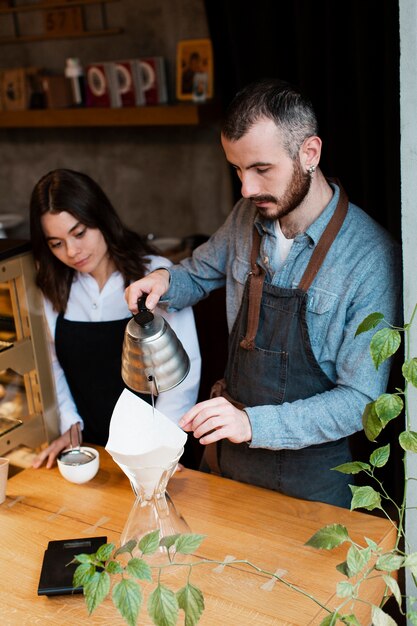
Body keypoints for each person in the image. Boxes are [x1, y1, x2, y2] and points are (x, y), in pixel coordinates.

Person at [125, 78, 401, 508]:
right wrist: (164, 281)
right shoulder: (245, 215)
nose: (246, 189)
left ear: (309, 153)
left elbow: (361, 401)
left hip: (316, 480)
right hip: (232, 462)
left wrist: (252, 425)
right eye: (237, 169)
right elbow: (198, 273)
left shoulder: (371, 258)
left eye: (261, 169)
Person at [29, 168, 201, 468]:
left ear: (101, 219)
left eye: (79, 233)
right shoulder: (53, 288)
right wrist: (71, 427)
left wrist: (159, 448)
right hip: (91, 449)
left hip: (155, 450)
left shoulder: (155, 273)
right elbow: (53, 367)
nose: (72, 251)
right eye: (56, 243)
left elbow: (185, 373)